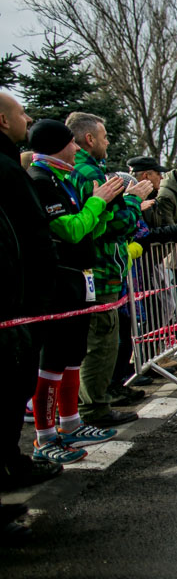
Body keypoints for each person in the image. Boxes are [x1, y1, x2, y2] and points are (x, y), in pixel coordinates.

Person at [26, 119, 126, 464]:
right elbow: (69, 230)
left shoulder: (63, 179)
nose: (77, 148)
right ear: (58, 145)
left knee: (73, 355)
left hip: (79, 279)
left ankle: (71, 424)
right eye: (72, 143)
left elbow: (88, 230)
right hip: (58, 280)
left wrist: (106, 205)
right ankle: (45, 436)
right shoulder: (41, 180)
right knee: (52, 361)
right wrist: (97, 202)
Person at [66, 112, 151, 427]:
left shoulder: (77, 170)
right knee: (101, 344)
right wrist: (133, 201)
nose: (108, 142)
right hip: (99, 271)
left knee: (98, 342)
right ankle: (95, 409)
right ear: (89, 139)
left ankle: (89, 405)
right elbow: (117, 223)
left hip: (95, 270)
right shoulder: (89, 173)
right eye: (104, 137)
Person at [0, 93, 65, 494]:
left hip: (27, 298)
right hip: (15, 300)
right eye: (21, 113)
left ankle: (12, 460)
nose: (28, 118)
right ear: (3, 120)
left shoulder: (10, 164)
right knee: (10, 387)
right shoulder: (8, 170)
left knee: (16, 386)